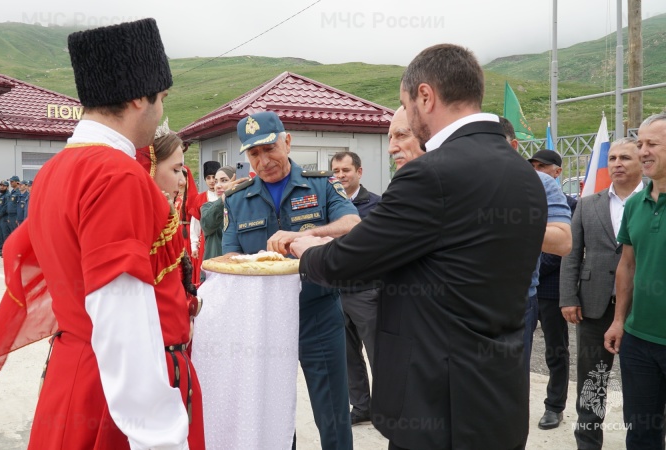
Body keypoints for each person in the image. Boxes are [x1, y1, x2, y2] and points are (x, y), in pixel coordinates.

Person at [291, 44, 547, 450]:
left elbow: (351, 262)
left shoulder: (432, 175)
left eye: (406, 104)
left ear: (426, 97)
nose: (407, 116)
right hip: (499, 399)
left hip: (438, 407)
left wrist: (306, 249)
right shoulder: (523, 174)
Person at [0, 19, 205, 450]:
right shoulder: (116, 174)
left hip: (74, 371)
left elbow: (21, 252)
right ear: (141, 97)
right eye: (162, 100)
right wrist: (160, 437)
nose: (162, 113)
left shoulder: (55, 170)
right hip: (113, 397)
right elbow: (121, 316)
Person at [222, 111, 360, 449]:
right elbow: (227, 260)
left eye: (269, 148)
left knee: (333, 414)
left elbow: (353, 224)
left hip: (319, 314)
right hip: (265, 321)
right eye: (254, 154)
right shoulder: (238, 199)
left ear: (287, 141)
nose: (263, 160)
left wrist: (306, 233)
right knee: (274, 416)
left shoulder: (321, 184)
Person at [560, 138, 643, 449]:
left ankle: (643, 437)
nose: (617, 163)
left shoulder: (653, 202)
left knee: (641, 382)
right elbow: (571, 252)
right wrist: (568, 296)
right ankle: (588, 441)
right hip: (593, 306)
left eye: (625, 158)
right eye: (613, 158)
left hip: (639, 308)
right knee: (592, 380)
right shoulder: (588, 203)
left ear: (642, 163)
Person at [604, 113, 666, 449]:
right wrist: (618, 321)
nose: (642, 151)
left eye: (651, 144)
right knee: (641, 433)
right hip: (638, 342)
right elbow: (626, 266)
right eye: (639, 143)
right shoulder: (635, 206)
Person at [525, 149, 578, 430]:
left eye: (542, 167)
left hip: (553, 289)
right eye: (532, 166)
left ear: (557, 171)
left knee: (556, 351)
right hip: (526, 290)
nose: (536, 171)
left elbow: (563, 249)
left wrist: (536, 266)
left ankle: (554, 406)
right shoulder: (522, 199)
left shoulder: (571, 205)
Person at [329, 151, 381, 425]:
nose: (340, 176)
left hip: (366, 291)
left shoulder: (376, 205)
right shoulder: (327, 205)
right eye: (335, 171)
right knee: (347, 354)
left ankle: (387, 408)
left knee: (377, 352)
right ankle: (362, 406)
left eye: (345, 170)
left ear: (359, 172)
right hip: (335, 291)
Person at [188, 160, 221, 284]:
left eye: (214, 177)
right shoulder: (200, 198)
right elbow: (195, 223)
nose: (212, 181)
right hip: (206, 241)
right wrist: (194, 244)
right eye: (208, 178)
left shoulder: (226, 194)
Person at [199, 165, 235, 261]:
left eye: (224, 180)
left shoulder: (244, 208)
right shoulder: (207, 207)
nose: (218, 185)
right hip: (215, 268)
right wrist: (224, 198)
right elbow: (207, 225)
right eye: (216, 182)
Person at [0, 180, 10, 257]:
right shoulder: (1, 195)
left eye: (3, 186)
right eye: (1, 185)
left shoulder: (7, 195)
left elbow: (5, 207)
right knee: (0, 235)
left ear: (7, 187)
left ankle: (7, 252)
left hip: (4, 218)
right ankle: (2, 251)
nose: (1, 187)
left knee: (5, 236)